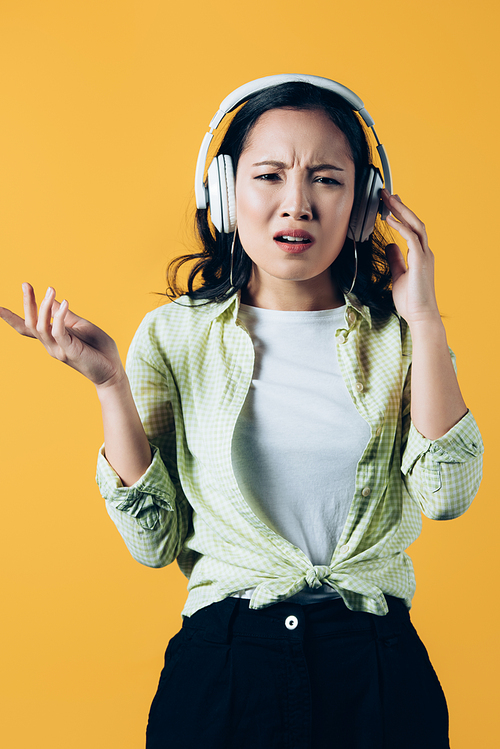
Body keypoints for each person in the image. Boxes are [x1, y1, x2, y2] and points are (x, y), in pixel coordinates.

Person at [0, 75, 483, 749]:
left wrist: (424, 317)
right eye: (269, 175)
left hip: (376, 667)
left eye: (326, 179)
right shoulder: (173, 336)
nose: (297, 204)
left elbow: (448, 493)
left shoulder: (402, 337)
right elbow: (154, 544)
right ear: (224, 194)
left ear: (366, 203)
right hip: (225, 669)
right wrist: (109, 383)